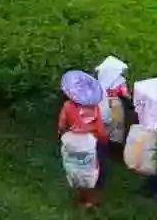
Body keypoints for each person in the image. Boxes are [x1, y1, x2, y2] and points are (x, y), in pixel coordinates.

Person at [57, 70, 107, 209]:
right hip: (89, 143)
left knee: (75, 169)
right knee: (89, 171)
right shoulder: (95, 108)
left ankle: (80, 199)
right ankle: (90, 201)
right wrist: (103, 141)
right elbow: (101, 130)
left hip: (72, 141)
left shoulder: (67, 106)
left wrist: (62, 135)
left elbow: (62, 125)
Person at [94, 56, 131, 189]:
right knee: (115, 129)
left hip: (100, 104)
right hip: (114, 106)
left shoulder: (100, 78)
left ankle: (100, 148)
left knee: (101, 128)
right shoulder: (120, 81)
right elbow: (126, 95)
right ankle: (113, 152)